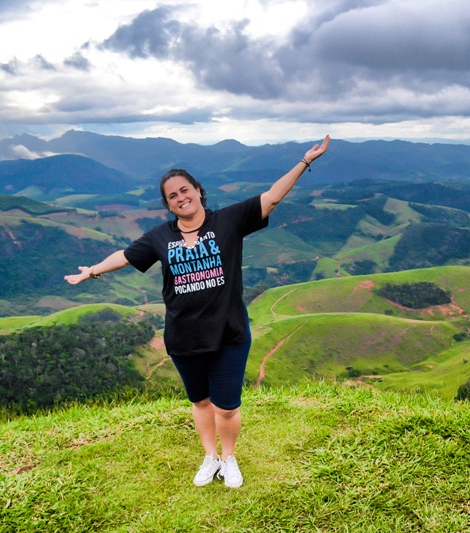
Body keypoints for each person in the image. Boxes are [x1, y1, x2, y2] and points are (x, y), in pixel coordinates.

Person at [65, 135, 330, 488]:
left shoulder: (229, 221)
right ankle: (210, 457)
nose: (181, 197)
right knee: (201, 402)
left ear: (198, 191)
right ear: (168, 205)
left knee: (228, 407)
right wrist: (93, 270)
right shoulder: (160, 236)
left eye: (185, 190)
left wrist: (304, 161)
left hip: (229, 333)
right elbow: (126, 256)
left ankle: (230, 458)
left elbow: (273, 196)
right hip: (184, 336)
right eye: (173, 196)